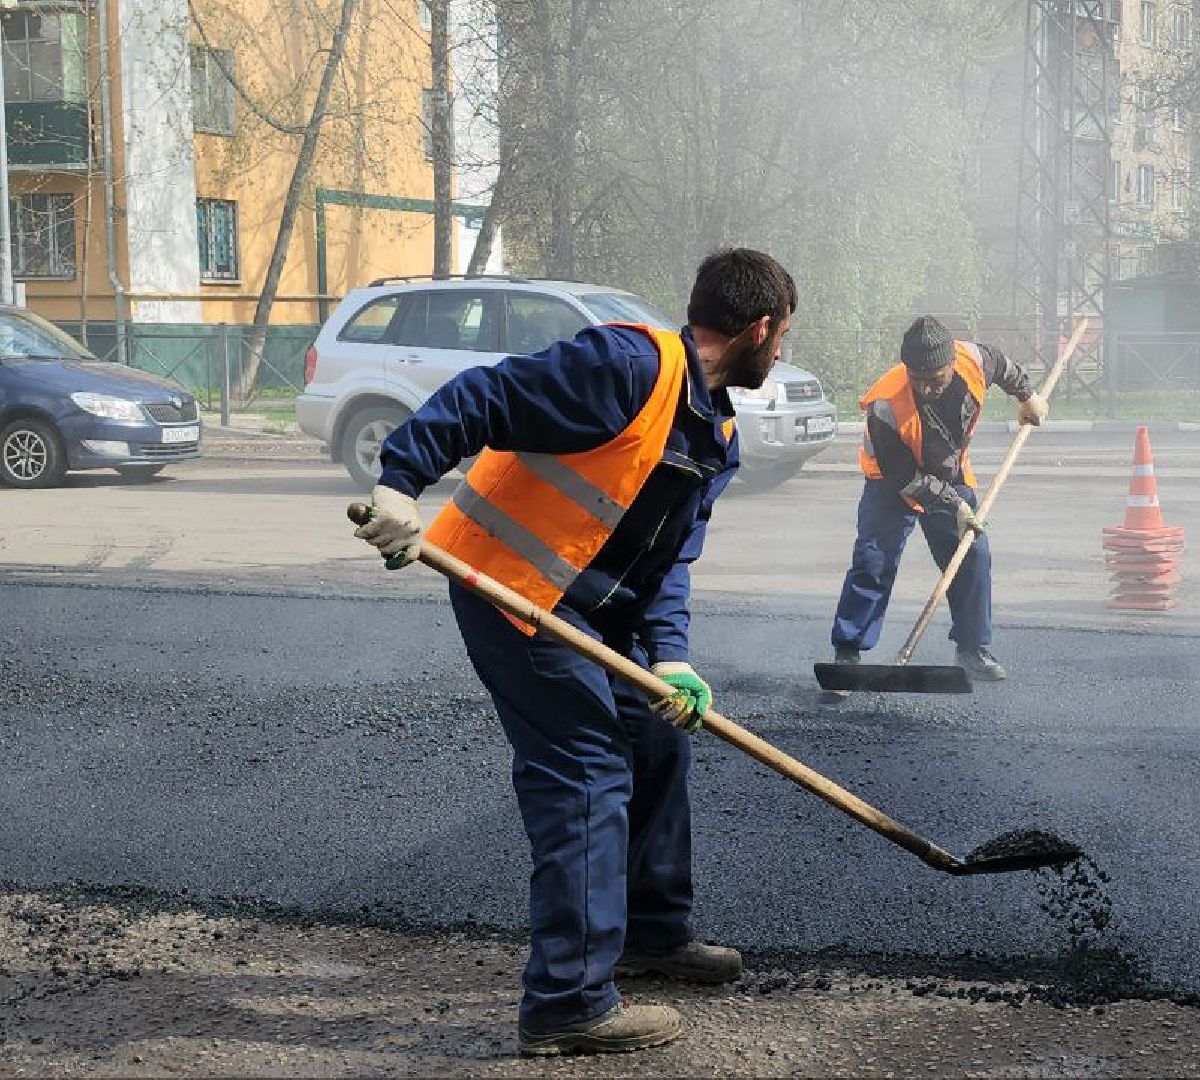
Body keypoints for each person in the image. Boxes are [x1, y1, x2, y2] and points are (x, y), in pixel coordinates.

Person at [351, 249, 795, 1056]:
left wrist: (671, 659)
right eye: (783, 335)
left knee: (658, 734)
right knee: (587, 769)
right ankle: (568, 1001)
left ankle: (652, 933)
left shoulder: (713, 429)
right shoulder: (626, 365)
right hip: (509, 589)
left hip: (596, 612)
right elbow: (483, 395)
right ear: (760, 328)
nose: (780, 350)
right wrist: (398, 482)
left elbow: (668, 562)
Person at [827, 316, 1047, 688]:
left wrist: (1027, 396)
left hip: (949, 470)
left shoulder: (974, 360)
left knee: (972, 552)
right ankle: (848, 653)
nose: (928, 388)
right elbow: (906, 479)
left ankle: (971, 649)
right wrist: (957, 506)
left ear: (951, 364)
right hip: (891, 481)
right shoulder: (885, 406)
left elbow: (1004, 365)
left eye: (937, 379)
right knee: (873, 561)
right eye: (919, 380)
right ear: (907, 370)